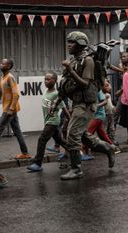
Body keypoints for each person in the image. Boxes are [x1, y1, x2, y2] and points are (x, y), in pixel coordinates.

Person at [51, 31, 115, 180]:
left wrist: (71, 70)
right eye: (68, 42)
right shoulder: (73, 61)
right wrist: (57, 102)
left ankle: (76, 169)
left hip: (86, 104)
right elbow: (65, 86)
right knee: (84, 136)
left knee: (72, 134)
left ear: (80, 44)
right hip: (77, 103)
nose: (68, 45)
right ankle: (108, 148)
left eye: (72, 42)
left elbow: (85, 83)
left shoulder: (88, 61)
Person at [27, 71, 70, 172]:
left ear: (54, 81)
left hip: (53, 121)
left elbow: (64, 108)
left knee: (42, 139)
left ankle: (38, 163)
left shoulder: (56, 94)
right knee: (60, 141)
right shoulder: (46, 91)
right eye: (45, 79)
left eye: (48, 79)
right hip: (48, 121)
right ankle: (75, 151)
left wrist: (69, 119)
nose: (45, 81)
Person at [0, 58, 31, 160]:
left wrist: (11, 109)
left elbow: (16, 94)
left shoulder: (10, 77)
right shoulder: (3, 77)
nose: (0, 64)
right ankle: (25, 153)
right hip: (10, 109)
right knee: (17, 131)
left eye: (3, 63)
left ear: (8, 66)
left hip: (9, 110)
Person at [117, 52, 128, 142]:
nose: (122, 58)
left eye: (124, 56)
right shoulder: (124, 69)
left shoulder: (126, 73)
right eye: (122, 56)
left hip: (125, 99)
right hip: (124, 97)